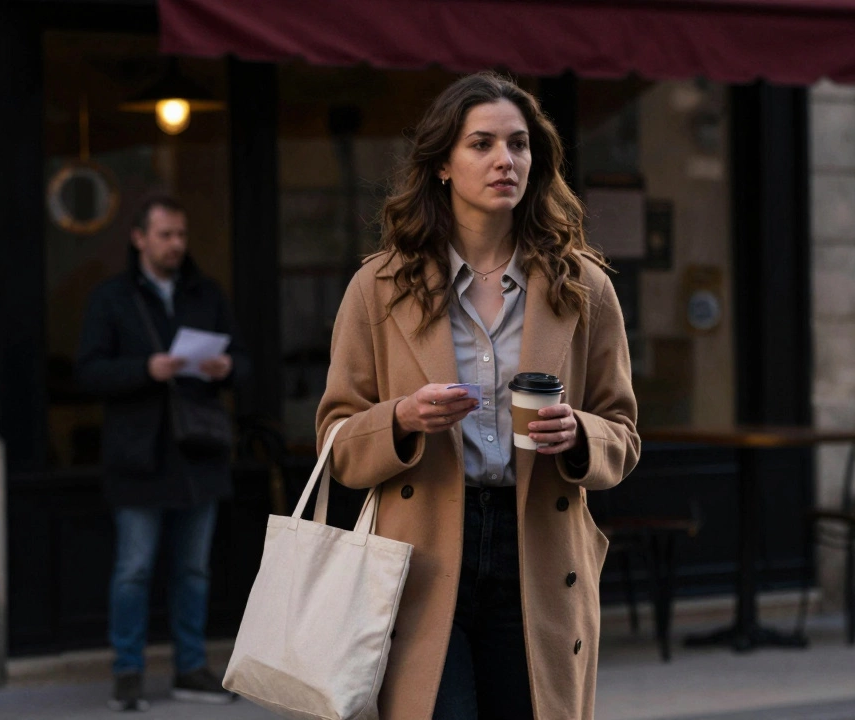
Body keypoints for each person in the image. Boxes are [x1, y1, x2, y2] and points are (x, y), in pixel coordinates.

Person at [316, 72, 641, 720]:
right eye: (483, 144)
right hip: (422, 552)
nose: (505, 160)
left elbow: (624, 435)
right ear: (442, 163)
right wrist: (403, 419)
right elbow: (337, 443)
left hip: (539, 550)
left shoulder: (584, 287)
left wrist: (579, 434)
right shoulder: (379, 288)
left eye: (519, 145)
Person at [77, 194, 248, 711]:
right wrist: (143, 370)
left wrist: (227, 369)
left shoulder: (205, 292)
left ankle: (190, 667)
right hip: (139, 455)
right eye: (166, 234)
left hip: (198, 452)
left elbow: (244, 360)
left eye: (181, 235)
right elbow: (87, 371)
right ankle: (128, 671)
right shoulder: (112, 298)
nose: (176, 244)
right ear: (140, 238)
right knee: (134, 569)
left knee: (193, 569)